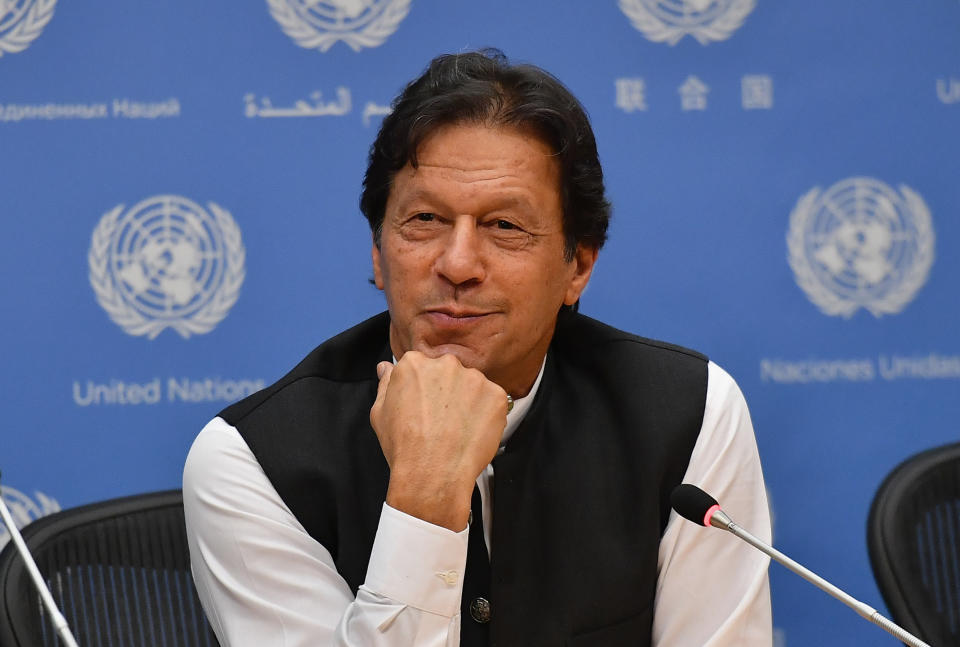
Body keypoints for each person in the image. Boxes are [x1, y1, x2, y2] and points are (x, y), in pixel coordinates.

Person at [183, 50, 772, 646]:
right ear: (379, 254)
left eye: (505, 227)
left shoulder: (688, 413)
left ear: (578, 266)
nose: (458, 264)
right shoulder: (251, 461)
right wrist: (424, 493)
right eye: (424, 220)